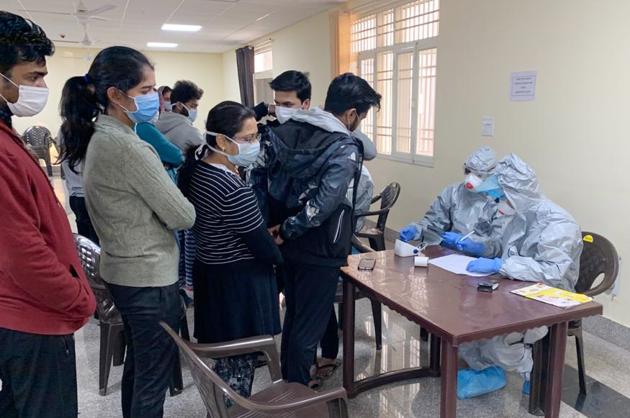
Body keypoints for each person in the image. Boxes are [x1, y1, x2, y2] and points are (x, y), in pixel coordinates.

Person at [62, 46, 196, 417]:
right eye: (146, 91)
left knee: (140, 368)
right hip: (148, 278)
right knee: (151, 381)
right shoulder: (128, 147)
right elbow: (183, 215)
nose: (156, 98)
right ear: (115, 95)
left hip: (125, 271)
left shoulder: (100, 137)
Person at [0, 12, 96, 418]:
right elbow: (23, 251)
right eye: (32, 76)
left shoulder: (8, 136)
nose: (41, 87)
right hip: (33, 318)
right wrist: (78, 300)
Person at [263, 73, 381, 385]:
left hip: (284, 242)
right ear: (352, 114)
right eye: (362, 116)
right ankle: (298, 397)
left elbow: (269, 182)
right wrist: (290, 228)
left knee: (296, 317)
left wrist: (280, 230)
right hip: (320, 246)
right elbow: (326, 202)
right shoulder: (343, 145)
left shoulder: (288, 130)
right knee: (308, 325)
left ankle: (289, 384)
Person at [178, 101, 282, 399]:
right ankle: (231, 409)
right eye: (248, 138)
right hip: (237, 284)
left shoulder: (198, 168)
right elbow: (262, 247)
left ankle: (223, 407)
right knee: (239, 364)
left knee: (228, 360)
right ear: (222, 140)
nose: (255, 144)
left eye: (256, 136)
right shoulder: (229, 185)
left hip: (212, 272)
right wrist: (277, 252)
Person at [457, 154, 583, 399]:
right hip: (515, 286)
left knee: (495, 338)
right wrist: (483, 248)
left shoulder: (558, 223)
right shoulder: (519, 214)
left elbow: (552, 272)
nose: (498, 202)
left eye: (502, 196)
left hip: (549, 296)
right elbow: (506, 249)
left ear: (517, 193)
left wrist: (500, 264)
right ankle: (488, 371)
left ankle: (530, 369)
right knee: (468, 321)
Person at [399, 146, 504, 258]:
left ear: (491, 175)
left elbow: (499, 244)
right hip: (449, 256)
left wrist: (476, 247)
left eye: (478, 175)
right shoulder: (453, 192)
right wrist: (417, 230)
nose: (470, 179)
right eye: (468, 171)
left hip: (481, 262)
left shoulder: (501, 201)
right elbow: (433, 222)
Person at [155, 79, 204, 153]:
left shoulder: (157, 124)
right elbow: (208, 156)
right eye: (192, 106)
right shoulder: (191, 132)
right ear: (179, 105)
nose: (195, 110)